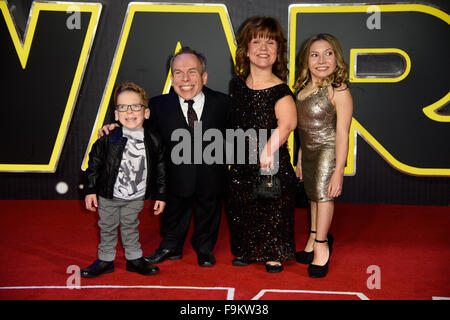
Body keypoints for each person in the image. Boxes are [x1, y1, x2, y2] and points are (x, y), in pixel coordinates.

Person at [99, 47, 231, 267]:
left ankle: (205, 248)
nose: (185, 79)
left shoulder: (223, 103)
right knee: (174, 211)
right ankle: (171, 246)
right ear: (171, 78)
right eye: (178, 73)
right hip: (174, 177)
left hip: (211, 176)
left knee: (209, 209)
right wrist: (116, 127)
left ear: (204, 76)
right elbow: (137, 126)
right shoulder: (157, 106)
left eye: (192, 72)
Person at [225, 16, 298, 273]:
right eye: (257, 42)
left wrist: (267, 150)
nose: (264, 48)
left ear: (278, 51)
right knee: (242, 204)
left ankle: (273, 252)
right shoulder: (237, 85)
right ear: (246, 49)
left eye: (271, 42)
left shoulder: (280, 90)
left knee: (271, 206)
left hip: (271, 164)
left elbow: (287, 124)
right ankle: (247, 249)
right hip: (242, 163)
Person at [81, 82, 167, 278]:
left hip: (136, 196)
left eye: (135, 106)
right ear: (116, 114)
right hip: (109, 194)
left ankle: (134, 259)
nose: (129, 111)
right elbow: (93, 165)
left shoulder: (154, 139)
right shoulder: (108, 138)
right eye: (123, 107)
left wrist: (161, 194)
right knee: (107, 227)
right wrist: (90, 190)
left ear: (146, 113)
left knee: (130, 226)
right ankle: (105, 260)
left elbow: (162, 168)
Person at [294, 33, 353, 278]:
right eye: (314, 54)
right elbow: (302, 129)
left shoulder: (338, 90)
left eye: (328, 53)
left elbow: (342, 134)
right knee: (312, 197)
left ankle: (322, 246)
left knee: (324, 195)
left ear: (337, 58)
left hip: (328, 150)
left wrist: (339, 169)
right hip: (307, 151)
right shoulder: (301, 89)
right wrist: (299, 158)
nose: (321, 60)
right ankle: (313, 237)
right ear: (306, 60)